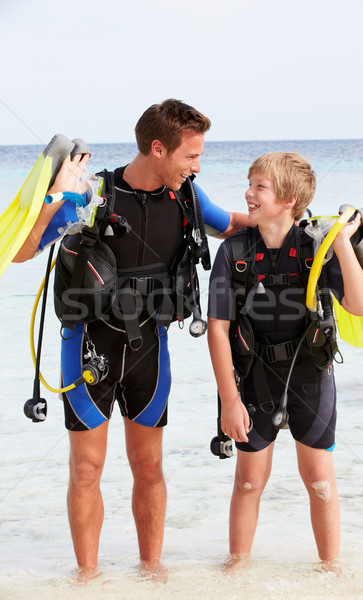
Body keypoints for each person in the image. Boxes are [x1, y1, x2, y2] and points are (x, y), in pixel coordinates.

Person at [13, 99, 248, 581]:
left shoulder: (187, 198)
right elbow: (22, 250)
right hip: (88, 347)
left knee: (148, 465)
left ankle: (151, 572)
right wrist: (57, 196)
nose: (197, 167)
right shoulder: (93, 195)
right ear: (158, 149)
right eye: (191, 156)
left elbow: (232, 227)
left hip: (150, 351)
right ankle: (87, 579)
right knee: (86, 469)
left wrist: (312, 227)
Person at [207, 152, 363, 571]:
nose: (248, 192)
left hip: (310, 376)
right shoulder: (234, 252)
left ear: (288, 200)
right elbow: (217, 329)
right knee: (248, 481)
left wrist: (339, 243)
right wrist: (229, 398)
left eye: (260, 186)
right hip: (253, 377)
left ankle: (329, 571)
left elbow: (360, 304)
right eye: (250, 183)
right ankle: (237, 570)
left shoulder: (316, 248)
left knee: (319, 483)